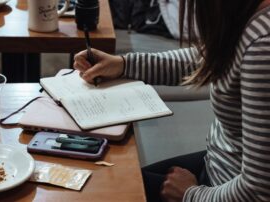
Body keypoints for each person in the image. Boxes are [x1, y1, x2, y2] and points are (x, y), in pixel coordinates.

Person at [73, 0, 270, 201]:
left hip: (224, 188)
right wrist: (123, 65)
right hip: (219, 166)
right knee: (109, 181)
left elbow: (258, 191)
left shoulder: (262, 45)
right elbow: (210, 59)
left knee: (107, 190)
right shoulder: (247, 14)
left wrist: (190, 194)